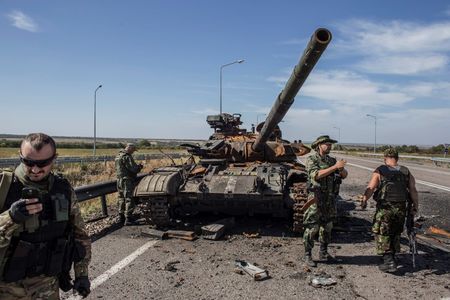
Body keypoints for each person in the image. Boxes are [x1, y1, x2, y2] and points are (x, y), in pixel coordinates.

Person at [0, 133, 91, 299]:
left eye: (43, 163)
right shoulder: (3, 186)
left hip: (47, 285)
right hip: (6, 288)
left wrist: (82, 274)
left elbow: (80, 236)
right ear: (20, 156)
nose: (35, 169)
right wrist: (10, 218)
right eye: (28, 162)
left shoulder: (63, 189)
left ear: (54, 159)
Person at [361, 148, 419, 273]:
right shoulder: (405, 171)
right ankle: (392, 256)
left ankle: (389, 261)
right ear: (397, 158)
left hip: (385, 208)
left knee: (382, 232)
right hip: (401, 208)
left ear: (385, 158)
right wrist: (415, 206)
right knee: (395, 232)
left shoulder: (380, 170)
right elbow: (413, 190)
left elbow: (371, 187)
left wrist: (364, 199)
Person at [302, 135, 348, 267]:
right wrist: (334, 167)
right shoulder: (311, 159)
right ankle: (308, 255)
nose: (329, 146)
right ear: (319, 146)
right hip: (316, 198)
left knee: (327, 227)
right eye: (326, 144)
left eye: (330, 144)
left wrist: (341, 169)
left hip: (330, 198)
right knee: (312, 227)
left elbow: (344, 176)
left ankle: (323, 252)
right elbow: (316, 175)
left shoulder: (332, 160)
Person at [115, 143, 143, 226]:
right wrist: (139, 167)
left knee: (121, 198)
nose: (133, 152)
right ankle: (128, 219)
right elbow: (133, 169)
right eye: (133, 150)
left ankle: (121, 217)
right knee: (129, 198)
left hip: (119, 180)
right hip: (127, 180)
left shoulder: (118, 156)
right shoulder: (127, 157)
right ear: (130, 148)